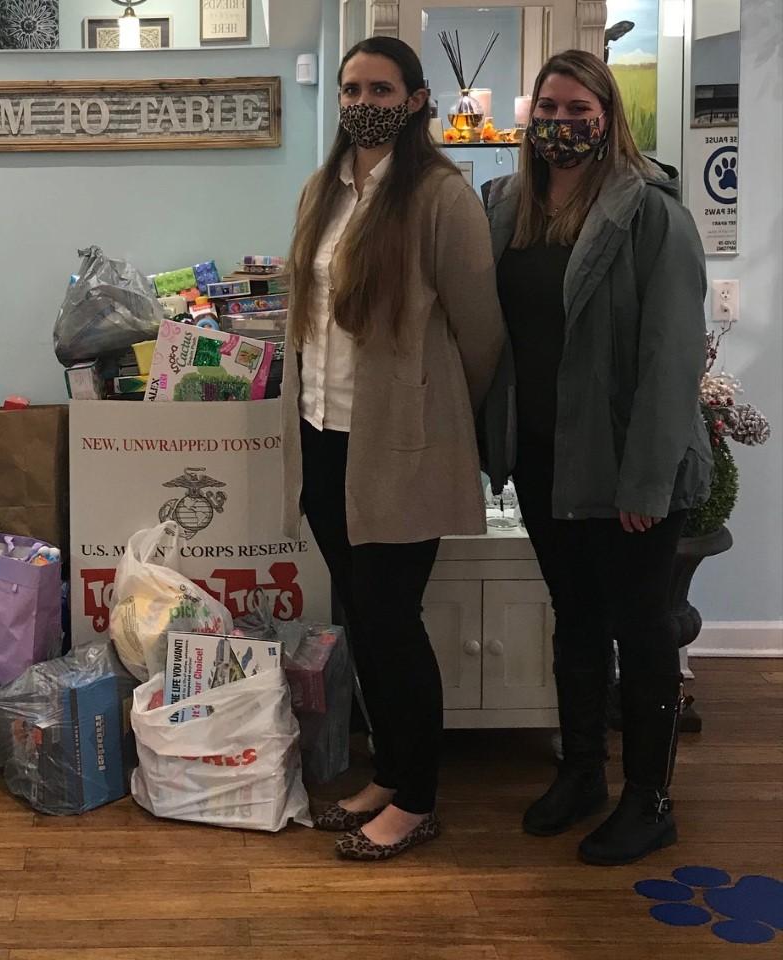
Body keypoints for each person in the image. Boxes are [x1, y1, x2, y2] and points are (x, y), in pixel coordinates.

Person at [483, 49, 711, 866]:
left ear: (608, 117)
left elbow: (672, 358)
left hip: (629, 465)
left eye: (579, 109)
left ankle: (650, 799)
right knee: (575, 618)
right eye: (548, 107)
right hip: (548, 458)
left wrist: (646, 481)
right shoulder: (505, 207)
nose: (562, 123)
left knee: (643, 631)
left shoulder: (651, 213)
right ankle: (581, 772)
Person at [280, 36, 504, 861]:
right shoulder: (323, 190)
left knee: (392, 621)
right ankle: (389, 773)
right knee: (362, 620)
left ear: (415, 100)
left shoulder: (442, 198)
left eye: (380, 89)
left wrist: (434, 414)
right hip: (322, 438)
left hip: (398, 447)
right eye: (351, 89)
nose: (362, 102)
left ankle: (417, 799)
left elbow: (481, 334)